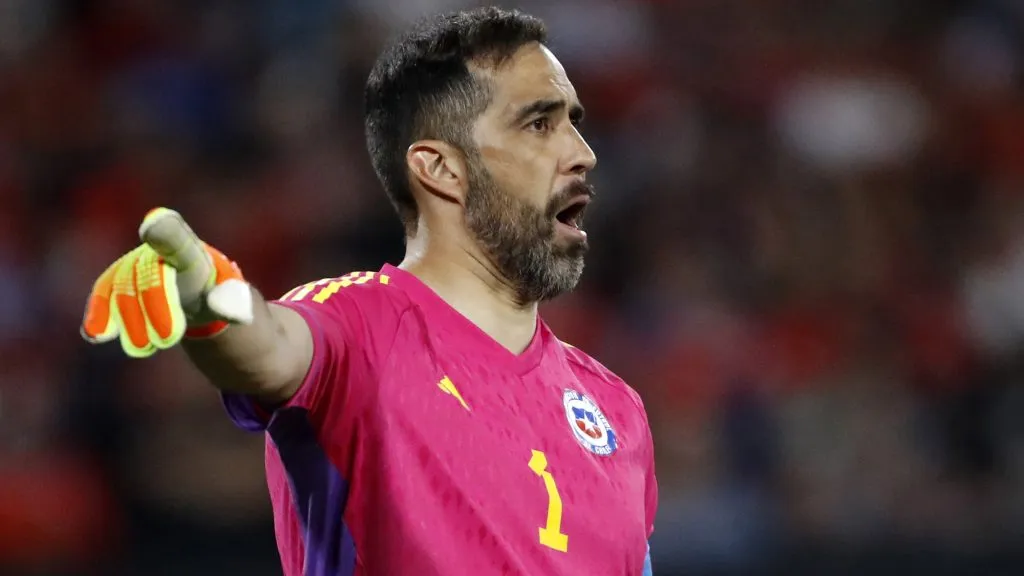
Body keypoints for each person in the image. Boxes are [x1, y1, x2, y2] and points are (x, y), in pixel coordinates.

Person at [81, 6, 657, 575]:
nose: (583, 153)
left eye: (574, 122)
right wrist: (210, 300)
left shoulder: (616, 410)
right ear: (441, 169)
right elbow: (267, 347)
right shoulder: (358, 328)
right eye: (539, 124)